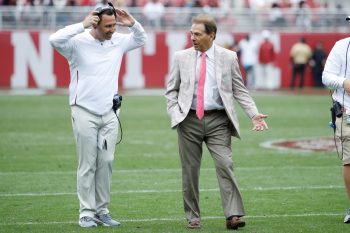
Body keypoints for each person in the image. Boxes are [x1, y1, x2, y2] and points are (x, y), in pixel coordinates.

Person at [165, 14, 268, 230]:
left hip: (219, 121)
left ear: (212, 35)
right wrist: (175, 114)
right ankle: (193, 216)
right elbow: (171, 90)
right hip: (189, 120)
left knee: (225, 165)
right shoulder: (181, 57)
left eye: (197, 34)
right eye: (191, 33)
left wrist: (253, 113)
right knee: (190, 171)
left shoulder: (229, 57)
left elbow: (239, 89)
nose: (192, 37)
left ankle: (234, 215)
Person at [49, 2, 147, 228]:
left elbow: (141, 39)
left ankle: (102, 210)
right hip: (83, 109)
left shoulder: (118, 41)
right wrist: (80, 25)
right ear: (95, 22)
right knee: (87, 163)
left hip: (110, 112)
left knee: (107, 161)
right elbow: (54, 40)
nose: (113, 29)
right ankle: (86, 212)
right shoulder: (77, 41)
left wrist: (132, 24)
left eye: (114, 25)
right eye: (108, 26)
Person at [322, 16, 350, 224]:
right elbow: (326, 76)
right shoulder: (342, 46)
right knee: (349, 161)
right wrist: (343, 82)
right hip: (347, 111)